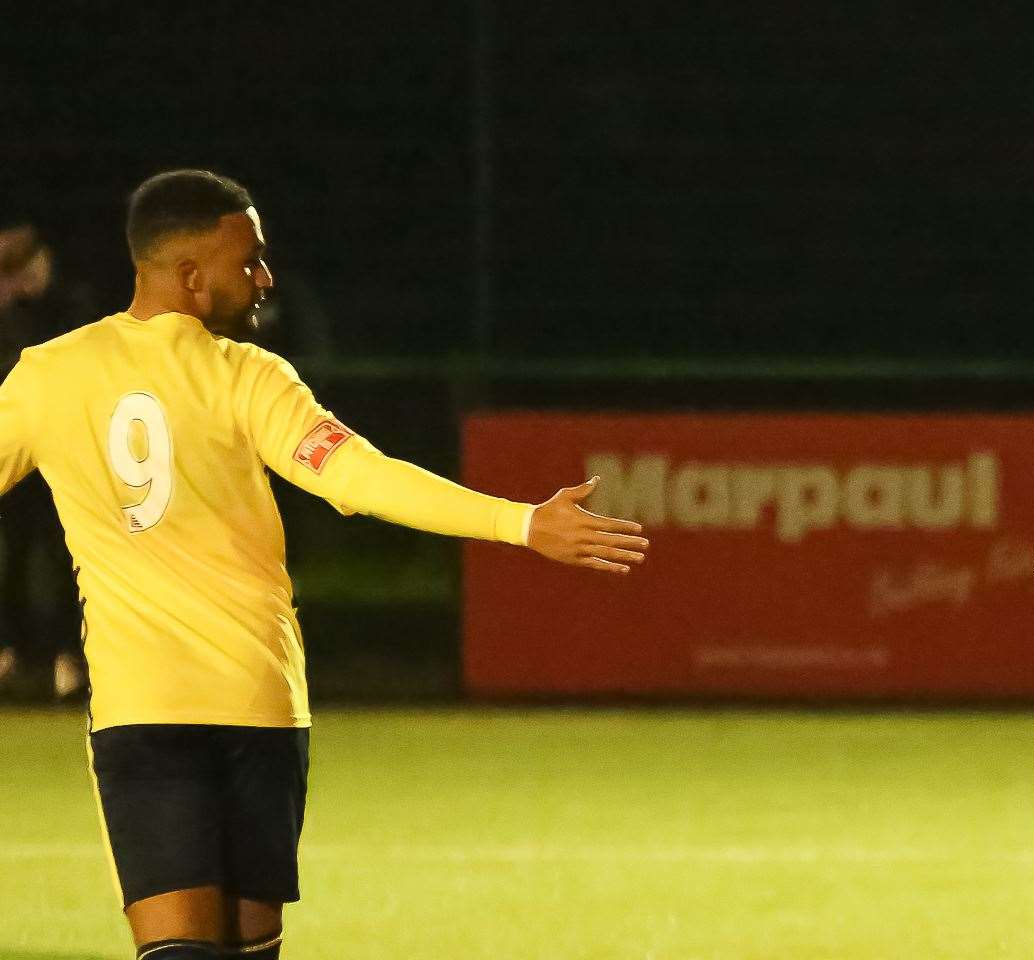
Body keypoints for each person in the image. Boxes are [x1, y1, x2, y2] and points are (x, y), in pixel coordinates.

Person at [0, 169, 651, 960]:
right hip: (259, 706)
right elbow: (364, 479)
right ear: (189, 276)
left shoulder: (49, 375)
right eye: (250, 261)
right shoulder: (250, 379)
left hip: (148, 713)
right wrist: (517, 523)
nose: (266, 278)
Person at [0, 216, 86, 699]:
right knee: (13, 557)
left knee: (64, 558)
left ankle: (66, 658)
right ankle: (12, 651)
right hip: (14, 452)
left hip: (63, 453)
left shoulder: (70, 307)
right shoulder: (6, 311)